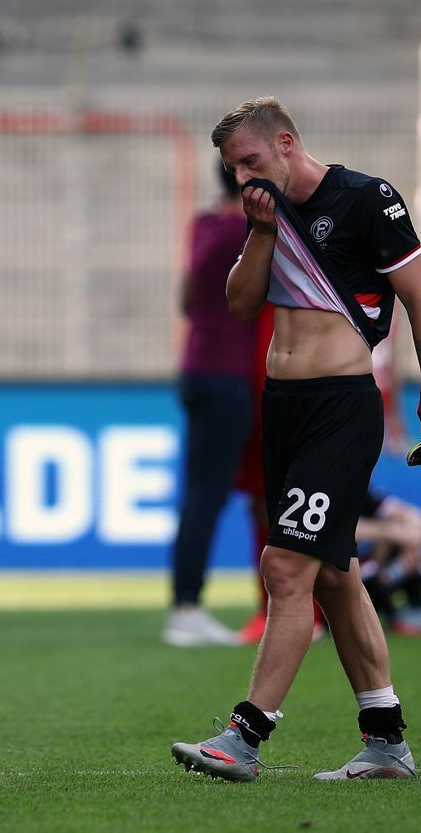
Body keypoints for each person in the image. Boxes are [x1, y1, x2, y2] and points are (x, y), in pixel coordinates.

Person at [171, 96, 421, 782]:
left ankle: (245, 737)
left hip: (340, 405)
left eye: (250, 161)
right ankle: (386, 741)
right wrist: (262, 232)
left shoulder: (366, 200)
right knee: (335, 577)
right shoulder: (265, 219)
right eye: (233, 169)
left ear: (285, 142)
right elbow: (241, 305)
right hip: (284, 408)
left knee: (284, 569)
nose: (243, 177)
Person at [164, 164, 258, 648]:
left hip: (196, 367)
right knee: (207, 496)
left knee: (199, 495)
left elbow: (186, 298)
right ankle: (187, 610)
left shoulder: (203, 225)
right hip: (226, 375)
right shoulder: (244, 230)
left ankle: (185, 606)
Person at [355, 487, 421, 637]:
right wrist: (391, 533)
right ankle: (397, 618)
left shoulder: (367, 495)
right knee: (377, 562)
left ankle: (415, 609)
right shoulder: (335, 492)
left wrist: (410, 547)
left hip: (372, 571)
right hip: (345, 575)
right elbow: (346, 532)